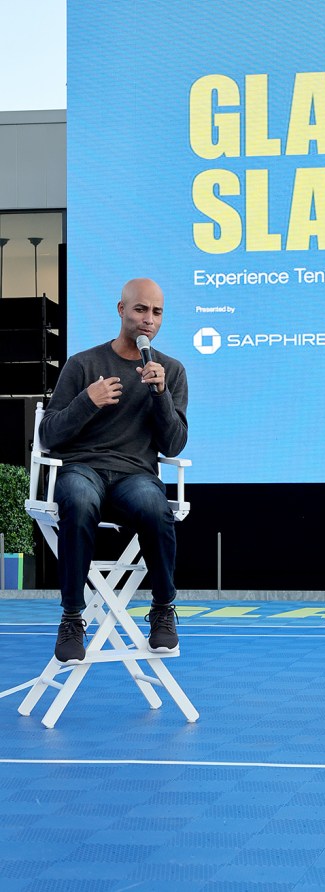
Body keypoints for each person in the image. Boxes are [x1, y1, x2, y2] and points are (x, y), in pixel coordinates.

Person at [40, 278, 189, 662]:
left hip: (134, 475)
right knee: (76, 496)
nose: (148, 320)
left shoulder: (170, 371)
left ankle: (162, 610)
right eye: (140, 309)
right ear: (121, 310)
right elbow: (49, 433)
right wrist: (87, 401)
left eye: (156, 312)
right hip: (84, 469)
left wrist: (161, 396)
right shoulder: (83, 364)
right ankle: (72, 617)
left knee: (156, 506)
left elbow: (173, 445)